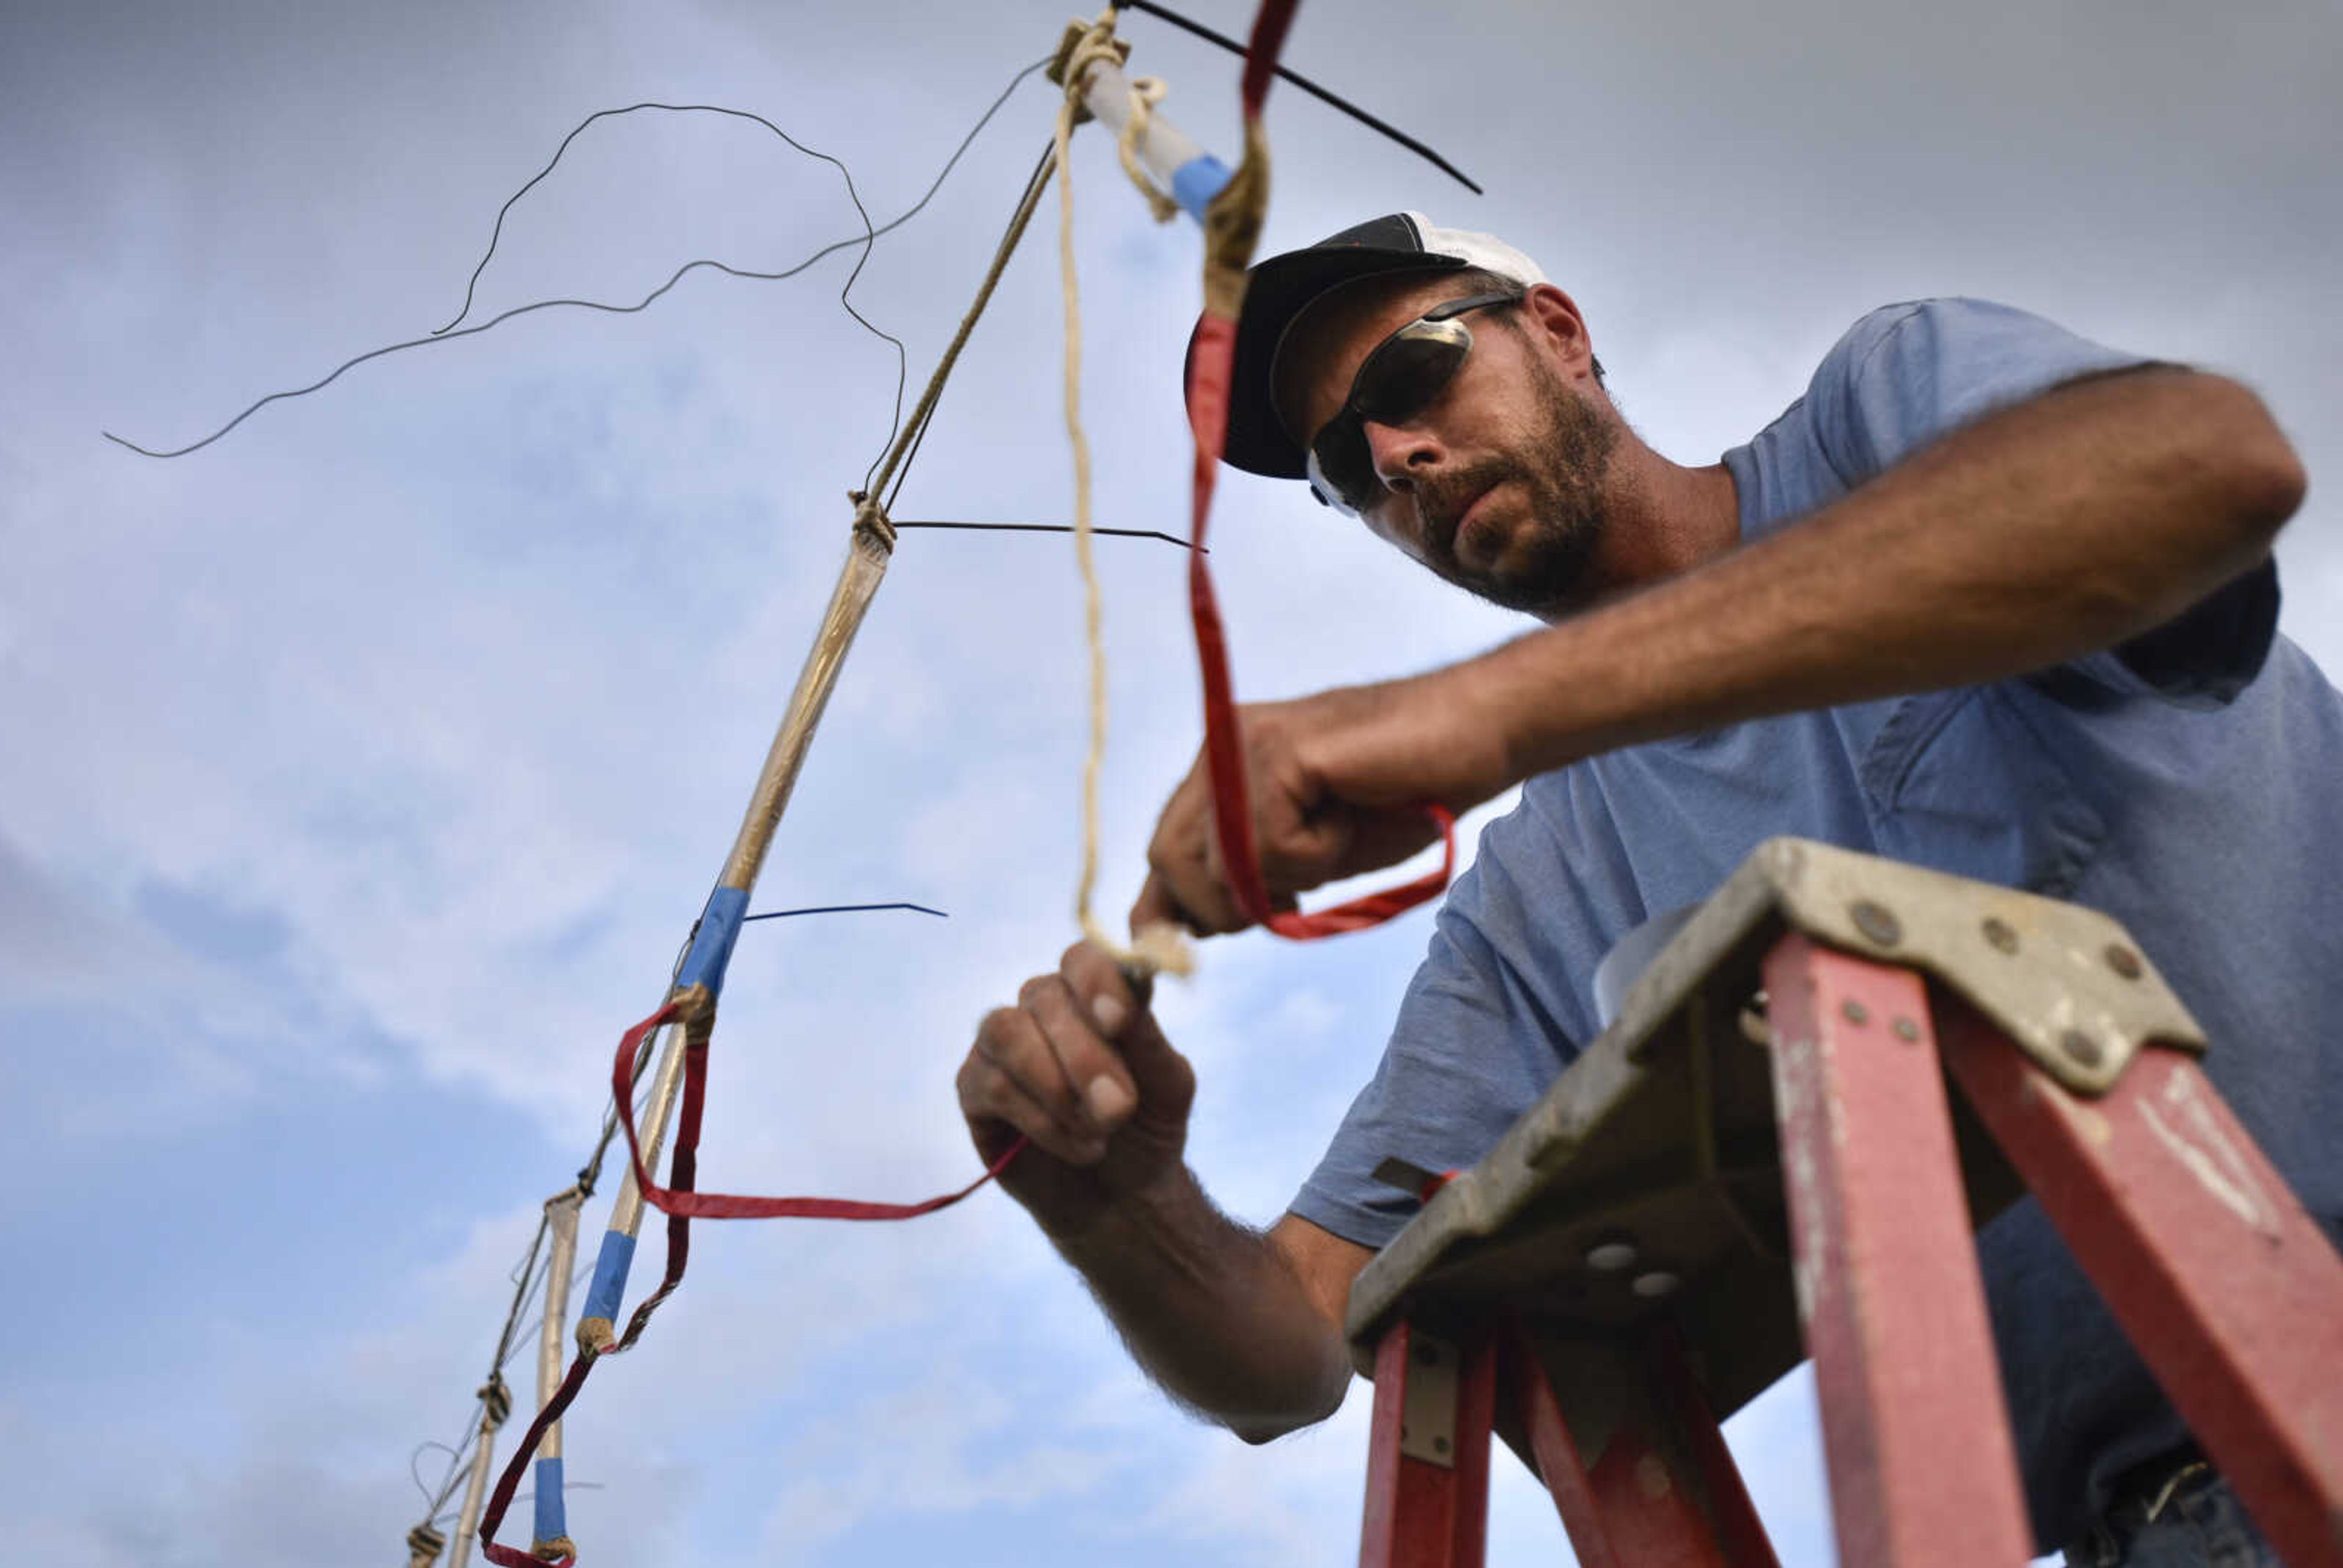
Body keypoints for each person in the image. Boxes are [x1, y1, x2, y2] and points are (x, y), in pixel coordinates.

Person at [952, 213, 2336, 1564]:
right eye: (1342, 463)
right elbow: (1303, 1342)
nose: (1393, 453)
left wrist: (1489, 713)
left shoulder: (1882, 414)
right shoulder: (1544, 890)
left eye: (1412, 371)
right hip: (2161, 1521)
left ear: (1557, 333)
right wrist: (1121, 1207)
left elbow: (2204, 467)